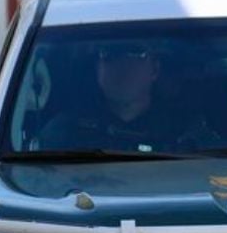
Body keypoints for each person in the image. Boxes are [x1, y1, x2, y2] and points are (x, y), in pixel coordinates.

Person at [35, 43, 192, 153]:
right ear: (97, 69)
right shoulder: (63, 133)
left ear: (155, 69)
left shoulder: (184, 131)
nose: (122, 66)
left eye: (135, 54)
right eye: (110, 56)